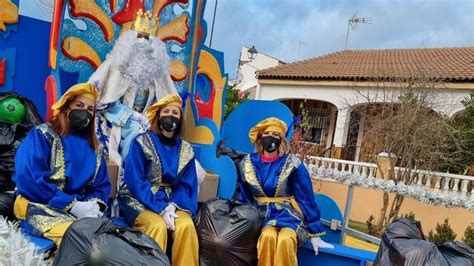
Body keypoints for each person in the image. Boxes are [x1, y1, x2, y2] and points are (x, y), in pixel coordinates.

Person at [12, 83, 111, 247]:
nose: (84, 112)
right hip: (37, 206)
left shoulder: (95, 149)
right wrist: (72, 205)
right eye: (79, 105)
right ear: (66, 108)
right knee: (81, 242)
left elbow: (101, 185)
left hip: (78, 214)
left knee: (107, 241)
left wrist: (93, 206)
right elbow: (29, 179)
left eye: (90, 109)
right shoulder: (43, 135)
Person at [237, 117, 334, 266]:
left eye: (276, 135)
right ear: (260, 137)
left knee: (286, 240)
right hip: (261, 214)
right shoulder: (247, 162)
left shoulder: (292, 163)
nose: (271, 137)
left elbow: (305, 196)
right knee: (267, 238)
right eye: (267, 133)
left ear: (281, 140)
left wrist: (315, 232)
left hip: (287, 214)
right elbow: (244, 196)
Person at [118, 94, 198, 265]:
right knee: (157, 225)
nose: (171, 116)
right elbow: (135, 181)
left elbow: (188, 184)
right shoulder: (141, 142)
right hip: (139, 198)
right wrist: (159, 208)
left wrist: (173, 206)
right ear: (158, 116)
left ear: (180, 118)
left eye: (175, 113)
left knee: (186, 226)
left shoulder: (187, 149)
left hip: (172, 201)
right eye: (166, 111)